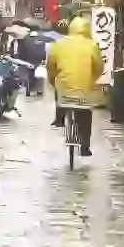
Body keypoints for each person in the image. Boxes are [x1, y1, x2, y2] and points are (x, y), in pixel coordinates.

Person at [45, 17, 103, 156]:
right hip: (84, 92)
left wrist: (53, 81)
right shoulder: (92, 45)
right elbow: (99, 67)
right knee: (85, 115)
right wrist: (91, 80)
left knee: (62, 97)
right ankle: (84, 146)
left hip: (64, 90)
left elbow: (50, 66)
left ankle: (60, 118)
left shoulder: (58, 44)